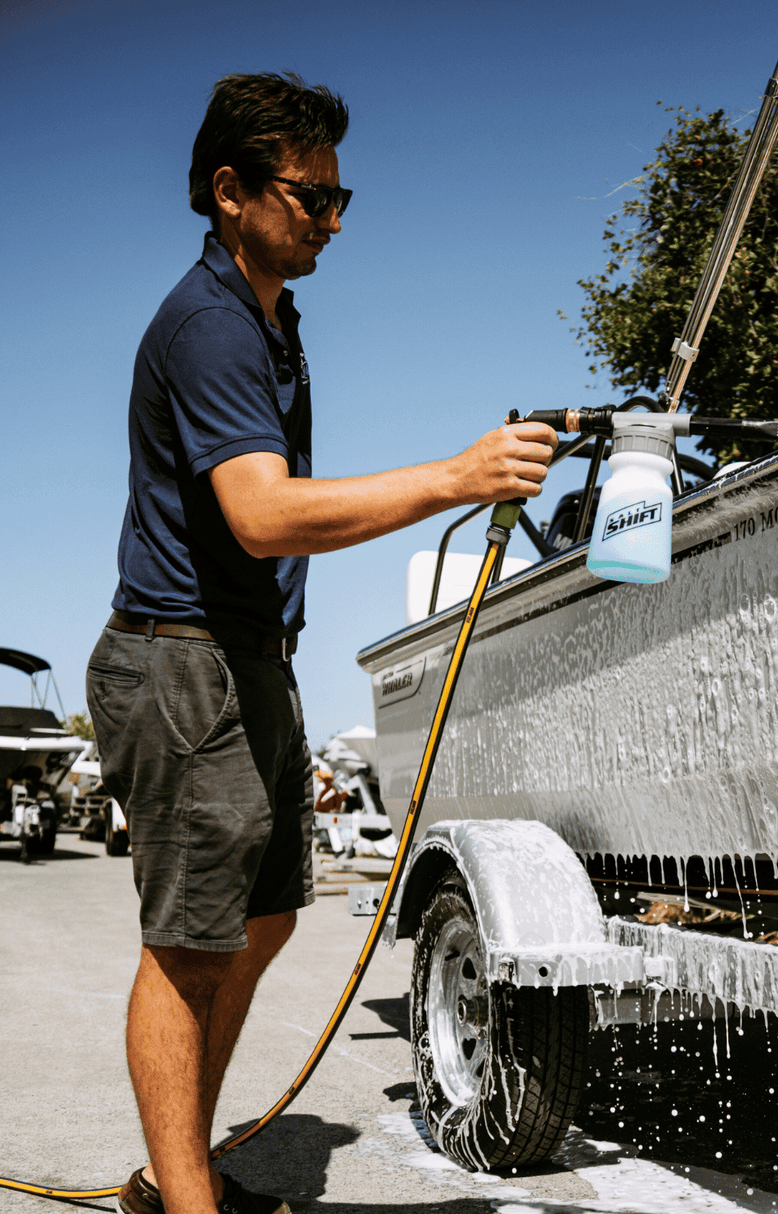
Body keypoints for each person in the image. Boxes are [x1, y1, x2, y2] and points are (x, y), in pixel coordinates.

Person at [85, 72, 557, 1214]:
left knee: (265, 915)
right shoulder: (207, 325)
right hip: (179, 658)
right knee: (188, 943)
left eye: (343, 199)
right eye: (312, 198)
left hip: (247, 659)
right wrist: (455, 476)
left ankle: (175, 1167)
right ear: (230, 191)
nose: (332, 221)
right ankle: (182, 1199)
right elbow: (261, 510)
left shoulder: (271, 317)